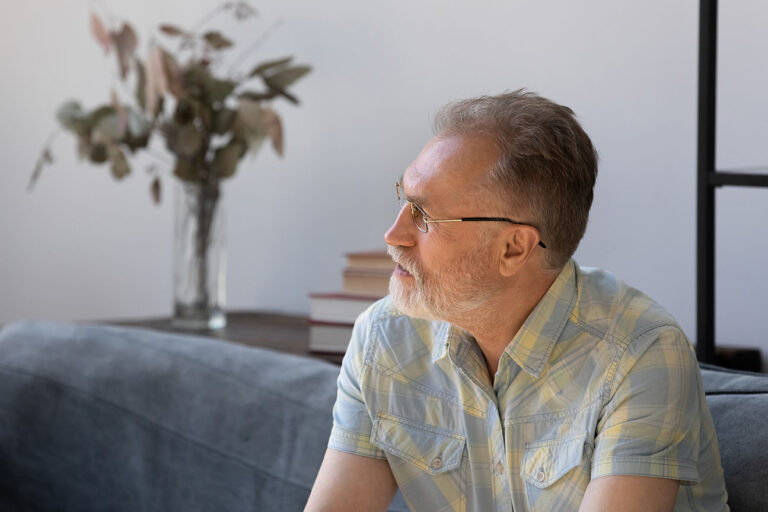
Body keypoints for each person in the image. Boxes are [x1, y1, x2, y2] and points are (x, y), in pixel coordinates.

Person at [305, 90, 729, 511]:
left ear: (513, 248)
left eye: (423, 216)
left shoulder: (640, 354)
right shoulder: (384, 339)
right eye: (404, 199)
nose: (393, 235)